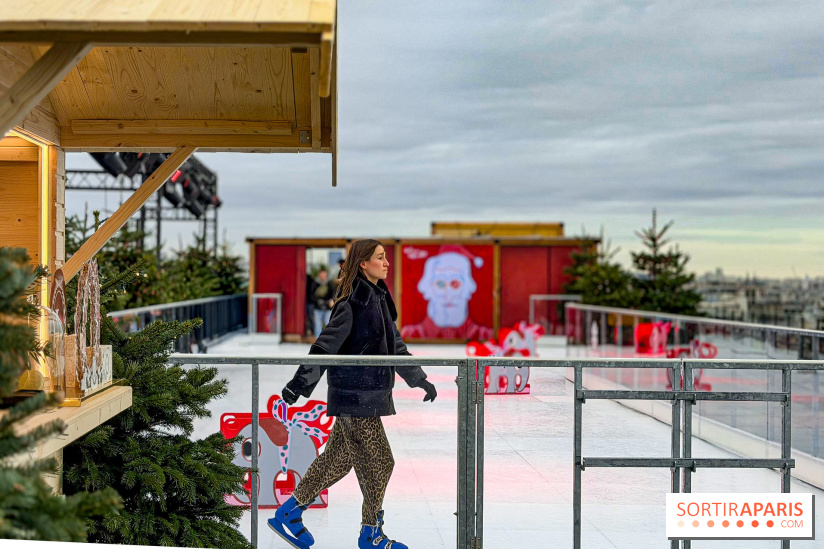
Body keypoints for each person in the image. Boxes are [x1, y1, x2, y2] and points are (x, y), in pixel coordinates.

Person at [268, 239, 437, 549]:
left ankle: (289, 513)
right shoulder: (352, 303)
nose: (387, 263)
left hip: (366, 396)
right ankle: (370, 532)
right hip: (356, 398)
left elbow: (394, 346)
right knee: (381, 462)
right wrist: (298, 385)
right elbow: (325, 346)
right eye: (380, 258)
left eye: (386, 258)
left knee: (336, 461)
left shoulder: (379, 297)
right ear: (363, 263)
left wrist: (419, 378)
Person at [400, 245, 494, 340]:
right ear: (427, 289)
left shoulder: (486, 336)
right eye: (440, 284)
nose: (448, 294)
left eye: (455, 284)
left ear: (468, 288)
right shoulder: (409, 335)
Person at [312, 269, 334, 336]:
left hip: (327, 308)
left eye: (324, 274)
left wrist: (331, 301)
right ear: (319, 275)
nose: (323, 276)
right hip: (318, 307)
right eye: (322, 274)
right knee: (318, 325)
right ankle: (318, 340)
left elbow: (333, 294)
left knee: (328, 324)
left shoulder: (329, 284)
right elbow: (311, 295)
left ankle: (327, 340)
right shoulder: (315, 284)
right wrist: (317, 301)